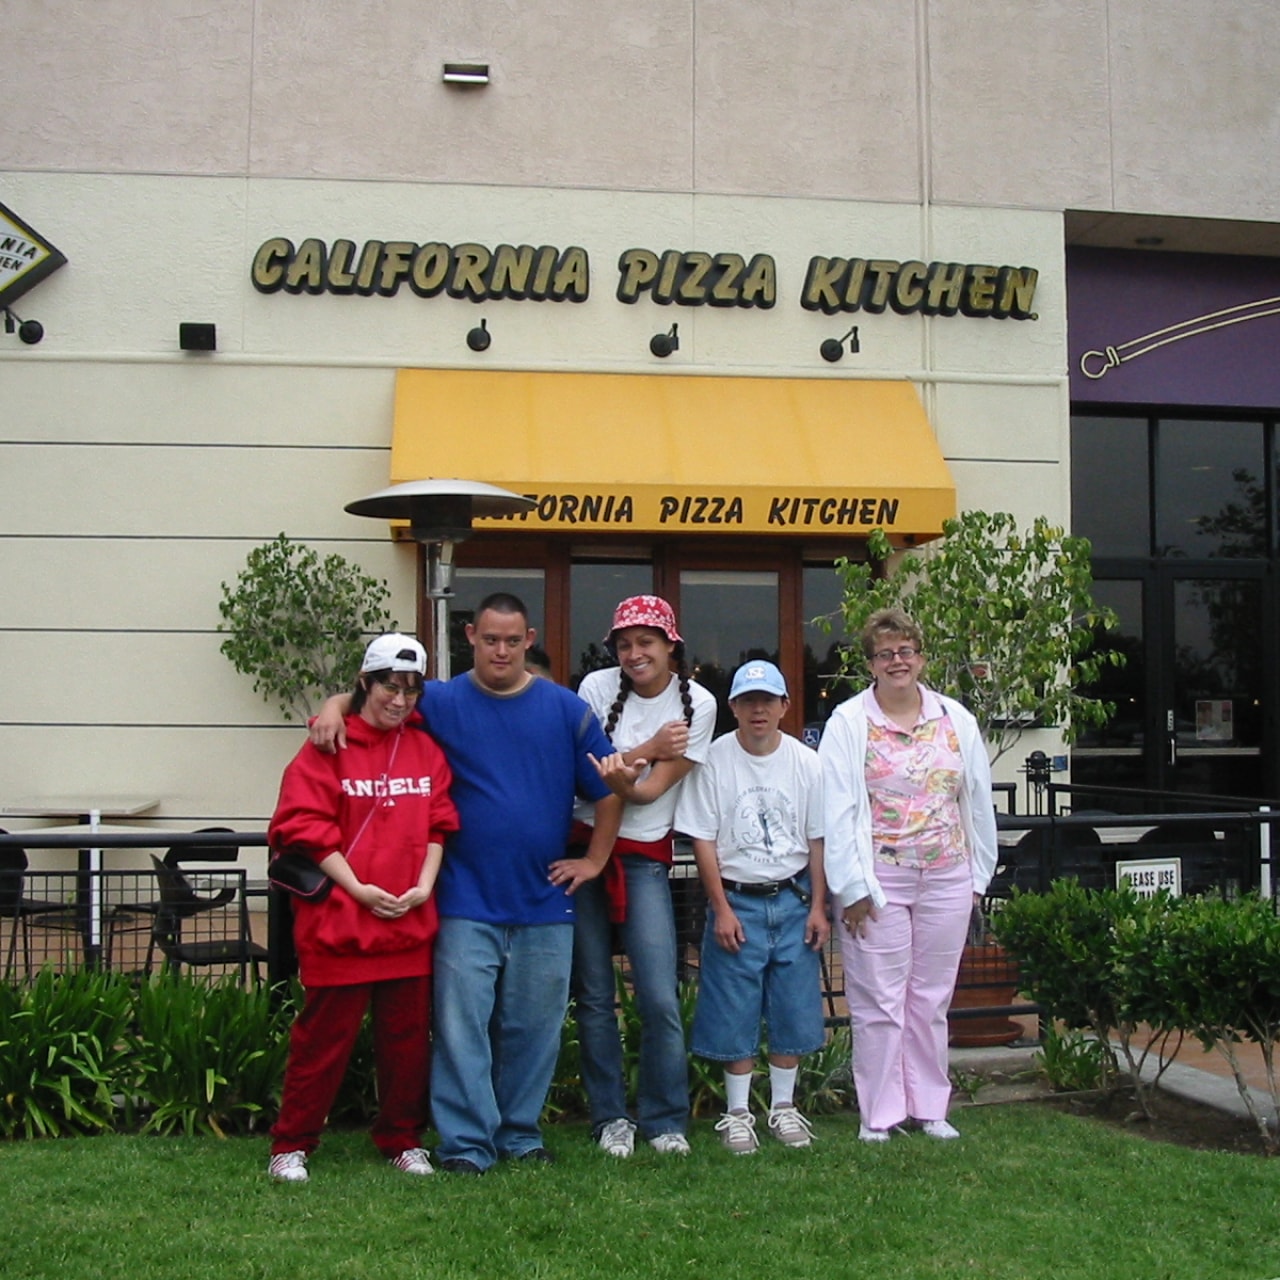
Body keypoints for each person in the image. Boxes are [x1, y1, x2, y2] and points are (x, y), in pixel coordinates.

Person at [310, 593, 624, 1174]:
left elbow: (609, 791)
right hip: (462, 900)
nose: (500, 650)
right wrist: (334, 705)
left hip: (543, 902)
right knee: (460, 1032)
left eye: (511, 640)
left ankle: (520, 1135)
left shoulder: (565, 710)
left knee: (534, 1031)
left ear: (528, 639)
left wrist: (595, 861)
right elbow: (380, 698)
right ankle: (465, 1145)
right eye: (489, 639)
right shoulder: (442, 700)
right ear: (470, 637)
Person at [266, 633, 459, 1182]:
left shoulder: (425, 747)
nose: (399, 701)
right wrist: (358, 890)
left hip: (408, 921)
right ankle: (291, 1143)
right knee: (321, 1041)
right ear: (364, 685)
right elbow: (303, 827)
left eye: (410, 691)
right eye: (388, 688)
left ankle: (402, 1137)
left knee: (405, 1043)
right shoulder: (326, 744)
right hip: (341, 925)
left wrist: (423, 886)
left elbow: (438, 823)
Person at [818, 607, 997, 1142]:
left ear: (920, 657)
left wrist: (976, 880)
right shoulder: (851, 722)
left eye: (905, 651)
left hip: (947, 876)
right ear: (871, 663)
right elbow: (838, 809)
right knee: (878, 1000)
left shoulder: (955, 719)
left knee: (931, 997)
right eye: (885, 653)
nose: (897, 661)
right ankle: (880, 1114)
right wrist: (850, 888)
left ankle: (930, 1108)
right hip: (879, 882)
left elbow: (978, 802)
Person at [548, 595, 716, 1157]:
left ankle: (665, 1118)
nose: (634, 653)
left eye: (646, 641)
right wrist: (646, 748)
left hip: (643, 856)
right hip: (582, 849)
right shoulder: (596, 689)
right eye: (624, 643)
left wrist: (627, 764)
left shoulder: (700, 705)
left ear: (671, 645)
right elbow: (594, 776)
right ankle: (609, 1118)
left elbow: (642, 792)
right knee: (594, 993)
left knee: (658, 993)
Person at [675, 660, 828, 1154]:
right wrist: (718, 907)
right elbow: (702, 837)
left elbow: (818, 838)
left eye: (768, 701)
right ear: (733, 707)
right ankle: (737, 1113)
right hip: (737, 897)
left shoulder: (807, 763)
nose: (758, 710)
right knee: (732, 1006)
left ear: (784, 706)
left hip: (792, 896)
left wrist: (819, 906)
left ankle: (783, 1108)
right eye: (747, 701)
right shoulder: (715, 761)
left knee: (793, 1004)